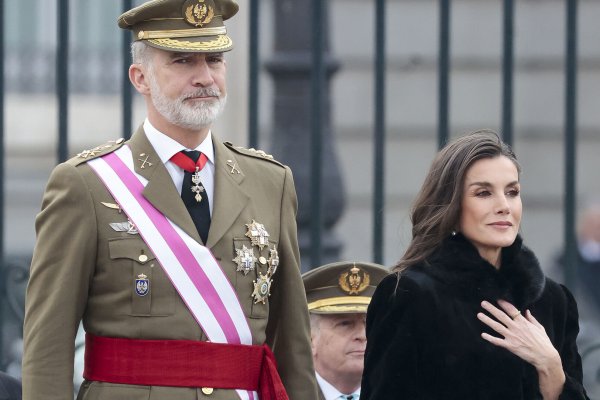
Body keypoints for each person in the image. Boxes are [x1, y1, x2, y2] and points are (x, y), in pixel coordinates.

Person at [22, 1, 318, 399]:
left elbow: (292, 346)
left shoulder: (271, 182)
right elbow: (48, 347)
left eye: (214, 60)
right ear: (140, 77)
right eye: (182, 62)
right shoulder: (87, 185)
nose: (204, 78)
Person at [361, 130, 589, 400]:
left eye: (512, 192)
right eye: (483, 193)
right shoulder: (410, 294)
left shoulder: (552, 300)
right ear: (453, 206)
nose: (504, 206)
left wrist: (551, 367)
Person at [302, 262, 388, 400]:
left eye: (369, 323)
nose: (362, 336)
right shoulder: (284, 393)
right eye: (345, 324)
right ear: (310, 338)